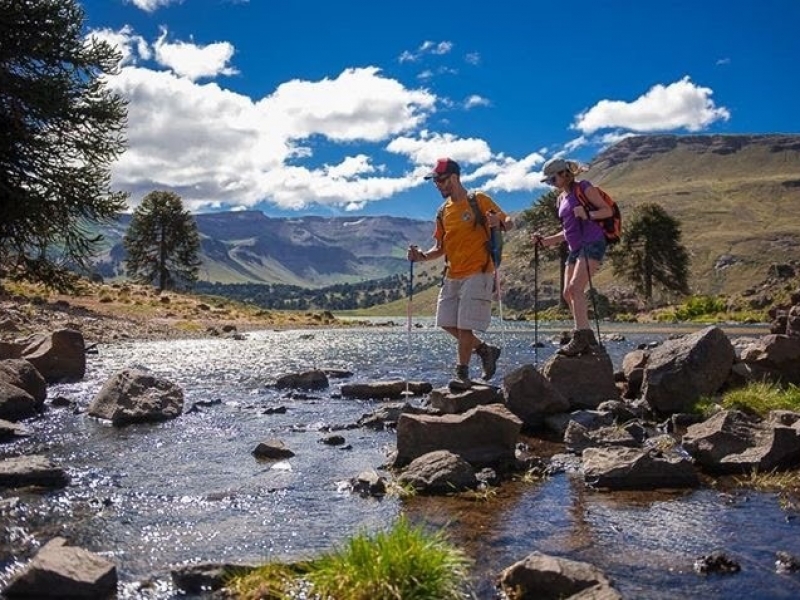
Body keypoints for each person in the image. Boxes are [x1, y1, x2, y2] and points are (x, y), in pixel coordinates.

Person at [407, 158, 514, 390]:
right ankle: (485, 350)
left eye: (440, 180)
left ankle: (462, 373)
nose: (437, 184)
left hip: (479, 270)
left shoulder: (479, 200)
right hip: (452, 273)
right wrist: (421, 257)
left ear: (454, 178)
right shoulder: (442, 212)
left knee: (465, 325)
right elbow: (440, 248)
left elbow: (509, 222)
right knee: (445, 322)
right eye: (435, 181)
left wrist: (499, 221)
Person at [532, 157, 613, 356]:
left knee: (575, 288)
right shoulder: (561, 199)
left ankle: (580, 336)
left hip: (592, 242)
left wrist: (587, 213)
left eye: (552, 180)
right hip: (575, 248)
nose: (551, 184)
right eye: (549, 181)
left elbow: (607, 210)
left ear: (564, 174)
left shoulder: (584, 188)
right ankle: (589, 339)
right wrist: (544, 241)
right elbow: (567, 232)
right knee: (568, 294)